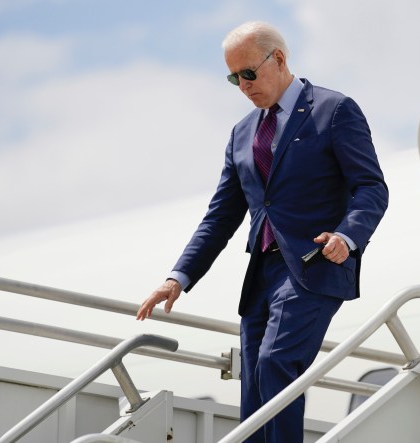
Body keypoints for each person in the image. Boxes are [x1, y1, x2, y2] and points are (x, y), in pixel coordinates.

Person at [136, 20, 388, 442]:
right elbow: (220, 216)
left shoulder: (334, 110)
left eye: (249, 73)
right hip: (262, 277)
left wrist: (347, 236)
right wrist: (177, 276)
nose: (243, 86)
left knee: (276, 361)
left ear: (280, 59)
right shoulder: (241, 134)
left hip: (314, 265)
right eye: (234, 78)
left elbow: (371, 187)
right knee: (253, 385)